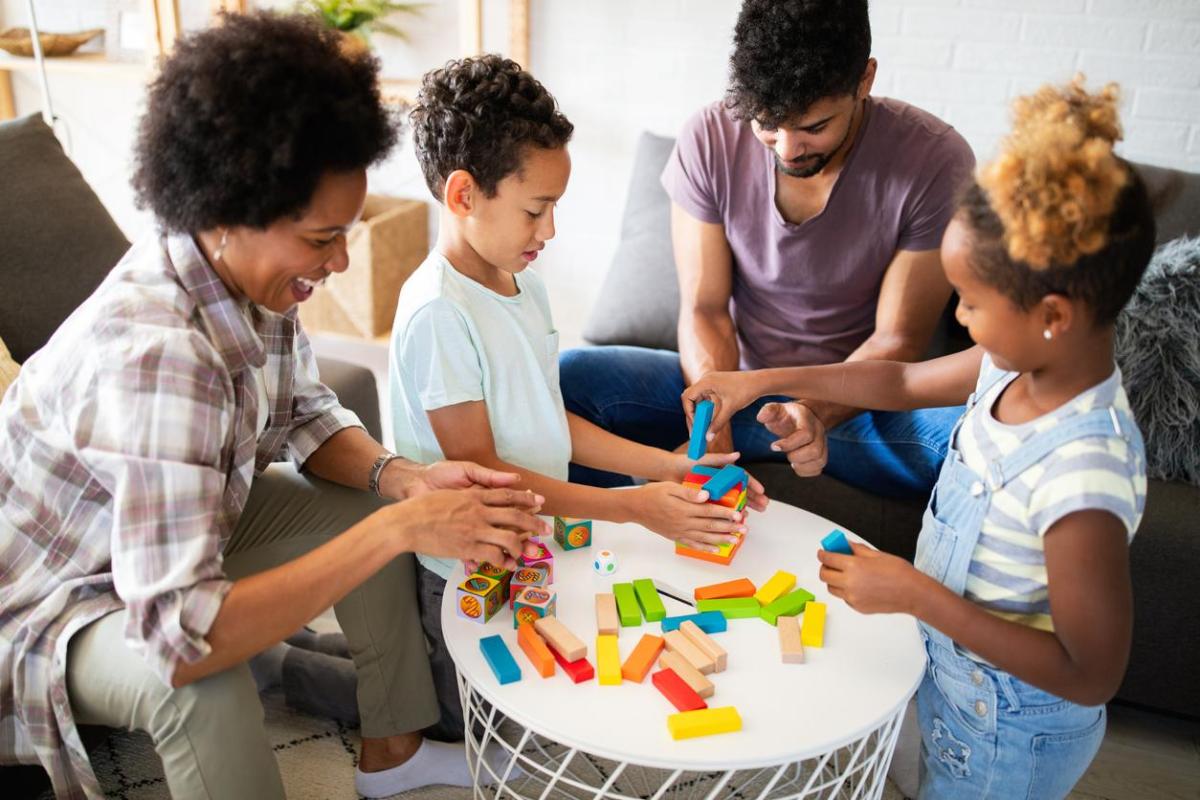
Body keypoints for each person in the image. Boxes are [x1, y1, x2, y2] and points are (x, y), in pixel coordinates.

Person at [0, 13, 548, 800]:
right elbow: (184, 640)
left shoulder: (245, 276)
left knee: (368, 509)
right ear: (228, 210)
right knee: (203, 685)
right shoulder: (160, 353)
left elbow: (305, 414)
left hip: (158, 543)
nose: (343, 260)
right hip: (56, 598)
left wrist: (400, 483)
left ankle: (392, 755)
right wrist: (402, 528)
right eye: (323, 237)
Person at [683, 78, 1152, 799]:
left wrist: (915, 593)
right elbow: (899, 383)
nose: (959, 317)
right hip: (955, 685)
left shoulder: (1082, 474)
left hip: (1008, 734)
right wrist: (757, 380)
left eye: (971, 300)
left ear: (1052, 313)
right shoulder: (1015, 363)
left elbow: (1090, 673)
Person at [391, 53, 768, 740]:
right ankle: (282, 669)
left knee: (531, 700)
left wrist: (673, 468)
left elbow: (547, 417)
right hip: (463, 565)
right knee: (453, 719)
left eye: (555, 208)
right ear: (464, 195)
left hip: (527, 546)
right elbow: (488, 478)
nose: (550, 232)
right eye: (536, 210)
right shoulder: (439, 315)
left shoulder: (519, 280)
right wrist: (632, 509)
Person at [561, 0, 976, 499]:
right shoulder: (709, 137)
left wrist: (808, 415)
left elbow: (897, 341)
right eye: (767, 125)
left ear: (864, 81)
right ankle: (602, 544)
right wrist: (715, 418)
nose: (787, 149)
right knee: (571, 378)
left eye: (814, 127)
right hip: (731, 382)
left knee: (977, 443)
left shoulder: (934, 159)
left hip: (855, 404)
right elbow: (705, 308)